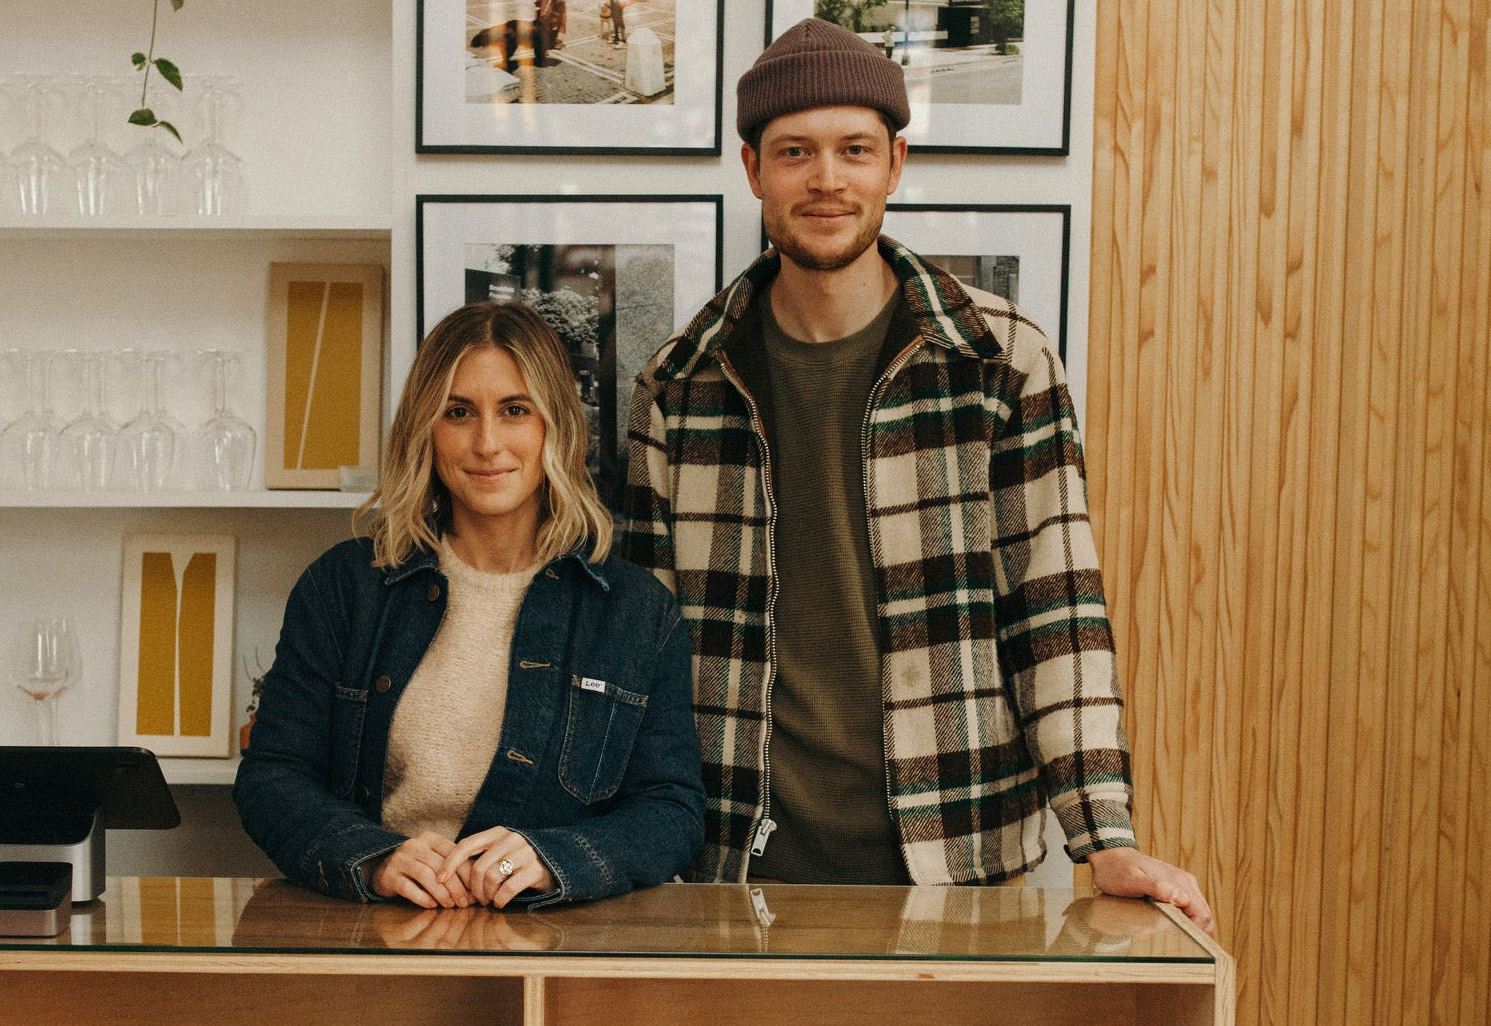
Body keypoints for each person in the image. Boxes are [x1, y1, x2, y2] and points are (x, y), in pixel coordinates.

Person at [622, 18, 1214, 931]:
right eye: (795, 152)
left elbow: (1056, 606)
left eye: (853, 149)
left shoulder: (999, 358)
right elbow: (643, 644)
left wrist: (1105, 837)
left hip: (963, 860)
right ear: (753, 170)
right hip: (736, 865)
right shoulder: (680, 382)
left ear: (894, 164)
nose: (826, 178)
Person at [235, 302, 705, 910]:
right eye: (458, 413)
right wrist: (374, 857)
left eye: (514, 411)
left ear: (554, 426)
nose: (487, 444)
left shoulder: (637, 612)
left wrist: (552, 858)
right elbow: (271, 778)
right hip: (374, 933)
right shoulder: (344, 588)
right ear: (425, 430)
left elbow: (671, 809)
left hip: (554, 943)